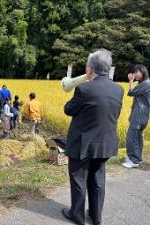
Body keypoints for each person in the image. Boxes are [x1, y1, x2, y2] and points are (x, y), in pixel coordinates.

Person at [62, 49, 124, 225]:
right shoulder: (118, 89)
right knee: (97, 179)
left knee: (79, 178)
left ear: (90, 70)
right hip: (105, 143)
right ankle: (96, 217)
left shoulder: (84, 88)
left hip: (83, 144)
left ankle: (78, 216)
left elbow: (68, 109)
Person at [122, 65, 150, 168]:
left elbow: (131, 92)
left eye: (136, 72)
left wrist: (130, 80)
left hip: (139, 115)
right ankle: (137, 158)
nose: (134, 74)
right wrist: (131, 114)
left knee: (132, 137)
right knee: (137, 137)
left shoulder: (146, 84)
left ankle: (133, 161)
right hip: (140, 114)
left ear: (142, 72)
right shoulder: (144, 83)